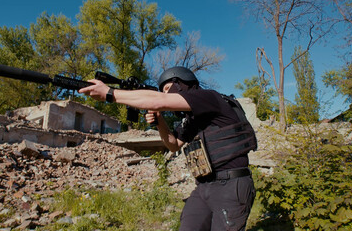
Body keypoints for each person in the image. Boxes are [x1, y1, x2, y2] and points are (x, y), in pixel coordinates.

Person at [79, 66, 257, 231]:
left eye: (167, 88)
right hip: (203, 186)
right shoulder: (193, 119)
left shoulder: (208, 97)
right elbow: (173, 144)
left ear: (182, 83)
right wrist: (159, 122)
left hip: (230, 185)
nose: (165, 93)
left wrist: (109, 93)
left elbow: (158, 101)